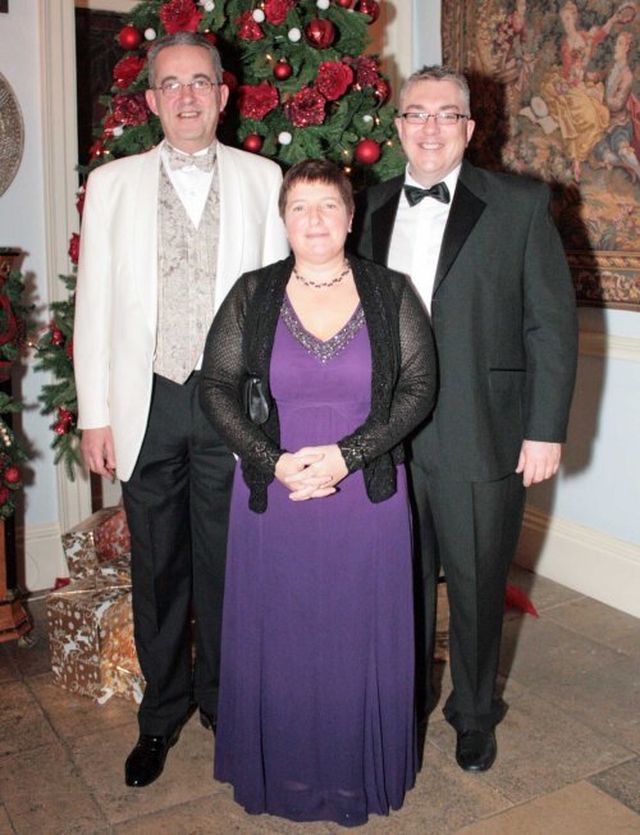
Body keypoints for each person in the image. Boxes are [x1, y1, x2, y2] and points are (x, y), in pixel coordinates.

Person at [73, 32, 288, 788]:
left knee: (231, 565)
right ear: (152, 99)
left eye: (202, 82)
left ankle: (229, 708)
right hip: (147, 402)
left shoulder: (265, 179)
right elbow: (93, 303)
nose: (188, 96)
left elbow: (278, 306)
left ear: (224, 96)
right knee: (158, 568)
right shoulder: (113, 184)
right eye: (173, 84)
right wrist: (95, 411)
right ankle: (160, 715)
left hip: (233, 405)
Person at [350, 65, 578, 773]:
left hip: (482, 429)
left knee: (478, 581)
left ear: (470, 129)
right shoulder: (368, 205)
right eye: (415, 114)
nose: (429, 128)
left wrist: (544, 428)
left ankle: (475, 712)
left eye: (446, 115)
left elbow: (551, 325)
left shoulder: (519, 204)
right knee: (400, 576)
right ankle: (409, 692)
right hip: (386, 434)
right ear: (397, 127)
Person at [199, 159, 437, 826]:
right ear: (283, 219)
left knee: (358, 636)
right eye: (300, 207)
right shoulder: (253, 293)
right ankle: (284, 774)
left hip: (370, 495)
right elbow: (214, 387)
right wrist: (271, 461)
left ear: (351, 216)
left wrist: (350, 455)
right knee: (286, 635)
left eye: (327, 205)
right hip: (277, 499)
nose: (314, 220)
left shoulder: (391, 293)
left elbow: (419, 388)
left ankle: (359, 774)